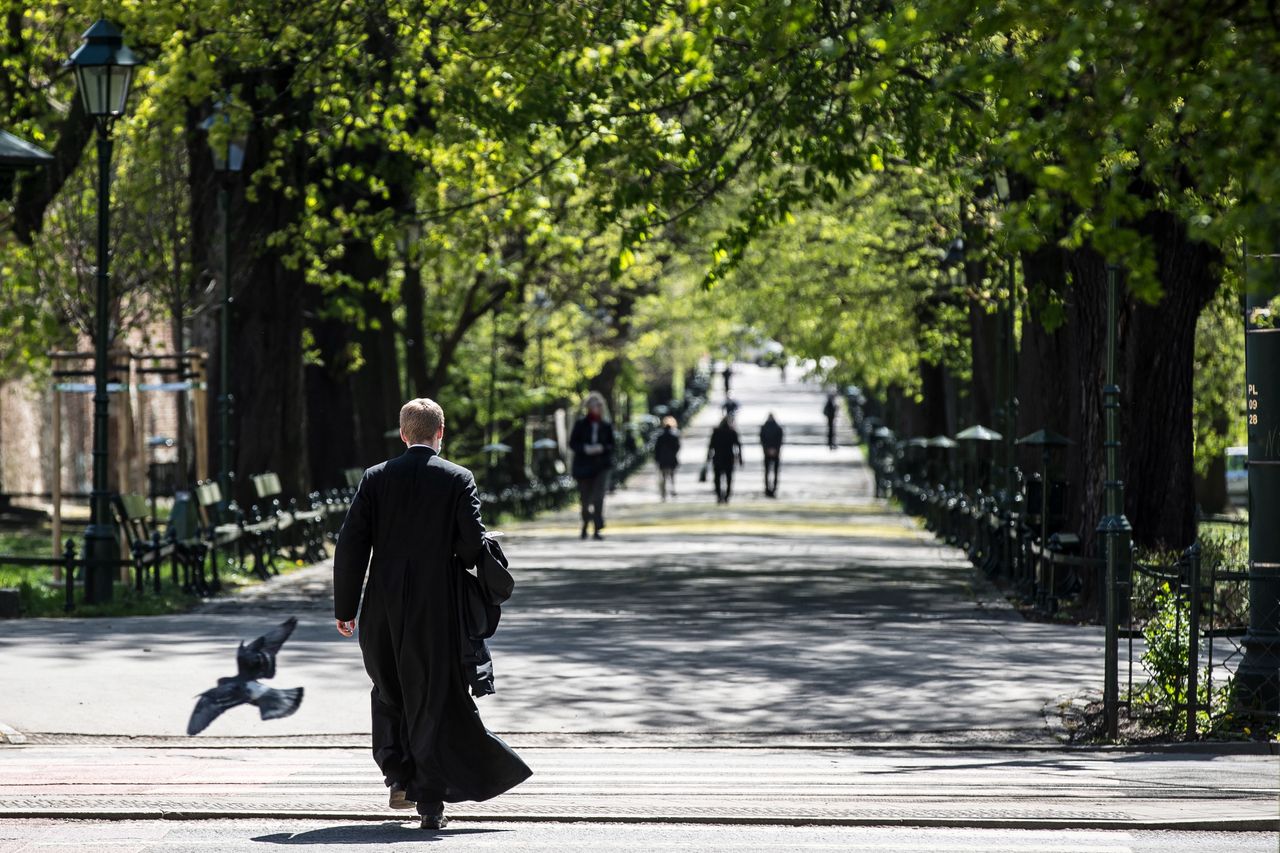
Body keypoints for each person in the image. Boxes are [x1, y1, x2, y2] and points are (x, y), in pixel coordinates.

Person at [333, 398, 531, 831]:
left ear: (403, 434)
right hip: (435, 606)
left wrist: (345, 608)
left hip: (383, 607)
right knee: (431, 698)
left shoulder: (376, 478)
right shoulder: (458, 479)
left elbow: (351, 545)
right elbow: (468, 546)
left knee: (388, 688)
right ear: (440, 434)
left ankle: (398, 775)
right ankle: (430, 803)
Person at [569, 391, 615, 540]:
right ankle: (584, 524)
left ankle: (596, 528)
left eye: (598, 405)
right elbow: (573, 443)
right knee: (585, 500)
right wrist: (585, 449)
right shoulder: (581, 424)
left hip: (601, 466)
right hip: (583, 466)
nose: (596, 408)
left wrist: (602, 448)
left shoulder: (606, 425)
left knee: (598, 498)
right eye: (593, 405)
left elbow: (612, 445)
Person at [706, 416, 744, 504]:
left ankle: (719, 496)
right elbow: (738, 446)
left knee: (717, 478)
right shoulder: (732, 432)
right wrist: (740, 458)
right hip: (729, 458)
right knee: (729, 478)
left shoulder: (716, 432)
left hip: (718, 458)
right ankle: (727, 496)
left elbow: (711, 446)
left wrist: (708, 457)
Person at [654, 415, 681, 501]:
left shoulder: (660, 436)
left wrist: (657, 459)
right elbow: (677, 447)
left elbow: (656, 449)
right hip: (671, 459)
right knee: (672, 475)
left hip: (662, 459)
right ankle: (672, 489)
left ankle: (663, 494)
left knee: (663, 477)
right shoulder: (674, 435)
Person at [759, 413, 784, 498]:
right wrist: (775, 449)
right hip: (774, 452)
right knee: (774, 472)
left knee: (768, 471)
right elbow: (780, 441)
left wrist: (767, 449)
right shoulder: (778, 428)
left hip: (768, 452)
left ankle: (768, 489)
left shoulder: (764, 428)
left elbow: (762, 440)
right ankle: (772, 489)